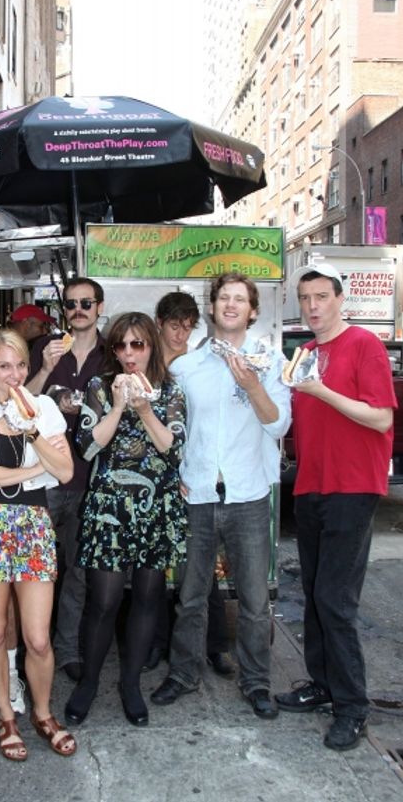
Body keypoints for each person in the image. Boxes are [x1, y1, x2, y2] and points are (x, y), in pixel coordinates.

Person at [151, 273, 291, 719]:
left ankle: (256, 683)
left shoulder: (270, 361)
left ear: (253, 310)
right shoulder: (186, 367)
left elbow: (278, 426)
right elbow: (173, 429)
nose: (230, 305)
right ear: (212, 309)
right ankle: (184, 674)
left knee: (253, 600)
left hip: (249, 495)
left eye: (240, 299)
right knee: (191, 594)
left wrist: (251, 385)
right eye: (223, 298)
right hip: (198, 495)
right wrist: (175, 474)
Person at [275, 264, 396, 751]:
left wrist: (321, 390)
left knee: (335, 601)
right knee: (312, 592)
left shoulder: (363, 345)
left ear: (339, 299)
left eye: (321, 296)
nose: (313, 306)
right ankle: (322, 684)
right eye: (305, 298)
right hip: (310, 486)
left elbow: (381, 417)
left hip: (353, 485)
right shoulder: (302, 352)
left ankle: (352, 707)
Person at [0, 329, 76, 760]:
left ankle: (43, 714)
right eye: (4, 366)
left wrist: (33, 435)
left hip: (34, 525)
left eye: (21, 365)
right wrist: (33, 471)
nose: (14, 374)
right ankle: (6, 715)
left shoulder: (43, 409)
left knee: (39, 638)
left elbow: (64, 472)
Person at [64, 312, 188, 728]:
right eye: (121, 345)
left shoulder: (170, 390)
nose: (130, 353)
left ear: (151, 345)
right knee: (103, 601)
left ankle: (131, 684)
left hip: (156, 507)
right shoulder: (99, 386)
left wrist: (146, 409)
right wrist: (118, 406)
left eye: (138, 344)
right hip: (109, 508)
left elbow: (173, 449)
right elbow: (86, 448)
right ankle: (89, 683)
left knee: (149, 598)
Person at [26, 277, 105, 682]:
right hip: (44, 477)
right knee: (34, 568)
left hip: (91, 480)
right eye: (72, 304)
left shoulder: (111, 353)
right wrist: (44, 368)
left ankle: (68, 649)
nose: (79, 310)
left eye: (86, 303)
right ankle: (29, 649)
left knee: (77, 571)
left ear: (99, 307)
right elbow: (24, 400)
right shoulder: (45, 348)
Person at [152, 291, 233, 677]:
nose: (180, 333)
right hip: (153, 478)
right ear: (160, 324)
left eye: (187, 326)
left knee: (199, 572)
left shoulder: (199, 365)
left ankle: (216, 645)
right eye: (174, 325)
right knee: (153, 565)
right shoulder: (150, 365)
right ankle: (156, 643)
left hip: (193, 478)